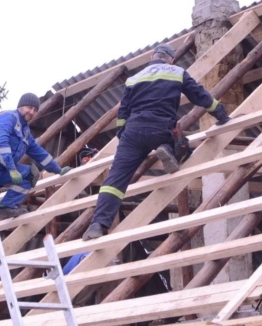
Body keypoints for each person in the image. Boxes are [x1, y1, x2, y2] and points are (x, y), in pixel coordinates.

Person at [82, 44, 231, 241]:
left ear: (152, 57)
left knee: (115, 180)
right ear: (171, 59)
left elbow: (123, 112)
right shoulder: (177, 72)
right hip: (161, 129)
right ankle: (167, 149)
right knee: (183, 147)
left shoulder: (134, 78)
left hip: (133, 132)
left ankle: (97, 224)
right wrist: (221, 115)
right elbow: (200, 96)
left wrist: (123, 135)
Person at [0, 93, 71, 267]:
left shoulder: (25, 132)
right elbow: (1, 144)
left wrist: (58, 169)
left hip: (2, 169)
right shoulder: (7, 118)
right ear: (20, 106)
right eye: (29, 108)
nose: (31, 112)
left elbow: (39, 153)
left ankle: (6, 207)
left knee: (31, 173)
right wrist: (12, 169)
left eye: (35, 110)